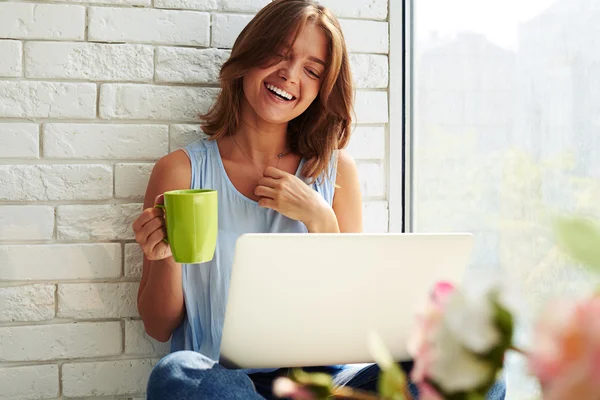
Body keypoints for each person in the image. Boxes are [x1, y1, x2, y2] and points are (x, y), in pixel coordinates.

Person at [132, 1, 506, 399]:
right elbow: (158, 326)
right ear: (250, 54)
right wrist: (165, 255)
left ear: (321, 90)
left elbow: (355, 315)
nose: (290, 76)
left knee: (472, 372)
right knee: (176, 374)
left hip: (327, 383)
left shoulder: (336, 172)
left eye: (311, 70)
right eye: (279, 55)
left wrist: (320, 218)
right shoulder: (180, 172)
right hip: (228, 384)